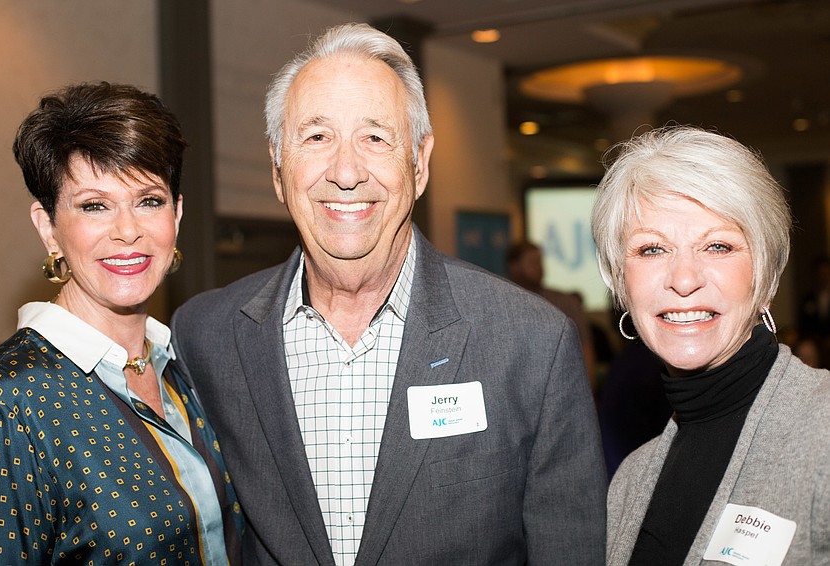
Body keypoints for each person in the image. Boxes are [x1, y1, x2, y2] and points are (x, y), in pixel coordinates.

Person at [171, 22, 605, 565]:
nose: (347, 172)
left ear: (419, 163)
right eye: (316, 137)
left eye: (375, 137)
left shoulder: (530, 342)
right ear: (278, 169)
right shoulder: (205, 337)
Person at [0, 82, 242, 564]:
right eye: (94, 205)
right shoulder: (6, 397)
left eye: (149, 201)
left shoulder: (181, 362)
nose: (127, 230)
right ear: (48, 227)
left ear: (177, 215)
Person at [591, 125, 830, 564]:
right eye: (651, 250)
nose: (684, 280)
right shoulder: (629, 482)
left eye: (718, 246)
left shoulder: (822, 432)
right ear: (621, 283)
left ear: (765, 277)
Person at [505, 240, 598, 389]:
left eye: (540, 261)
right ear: (514, 267)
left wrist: (589, 387)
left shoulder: (565, 303)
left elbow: (585, 348)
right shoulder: (502, 305)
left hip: (564, 387)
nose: (540, 267)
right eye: (532, 262)